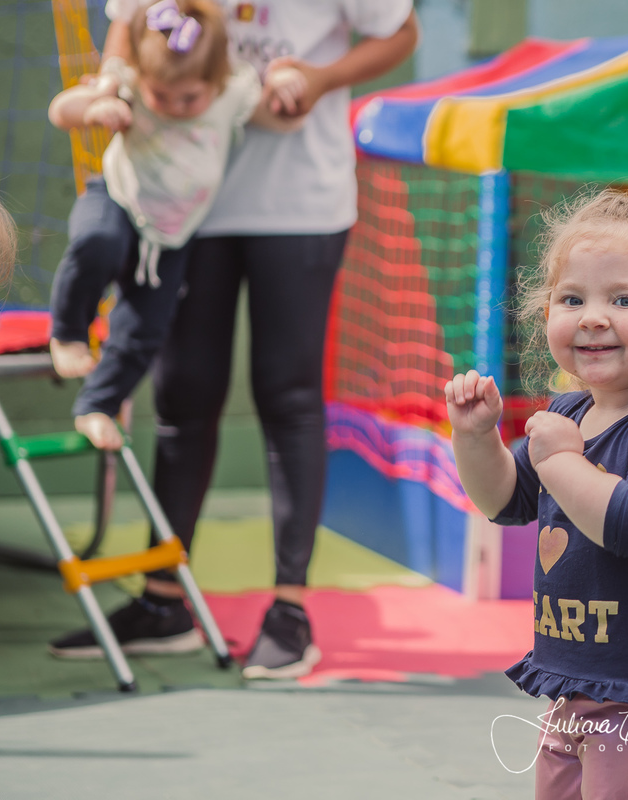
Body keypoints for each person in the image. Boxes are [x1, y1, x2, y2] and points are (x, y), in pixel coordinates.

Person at [48, 0, 420, 680]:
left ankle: (289, 610)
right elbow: (126, 23)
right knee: (183, 396)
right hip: (181, 204)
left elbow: (401, 32)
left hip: (299, 204)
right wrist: (114, 85)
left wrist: (320, 78)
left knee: (288, 393)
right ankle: (164, 600)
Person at [446, 188, 628, 799]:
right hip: (574, 682)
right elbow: (505, 501)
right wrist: (476, 438)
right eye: (572, 299)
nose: (593, 316)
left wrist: (561, 459)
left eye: (624, 299)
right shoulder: (570, 413)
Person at [46, 0, 303, 452]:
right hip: (118, 199)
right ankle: (68, 332)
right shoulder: (128, 84)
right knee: (97, 243)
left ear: (216, 82)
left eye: (189, 99)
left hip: (171, 236)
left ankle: (98, 405)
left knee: (145, 328)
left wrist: (287, 89)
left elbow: (285, 121)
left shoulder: (232, 91)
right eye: (161, 97)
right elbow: (60, 111)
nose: (174, 107)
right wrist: (96, 106)